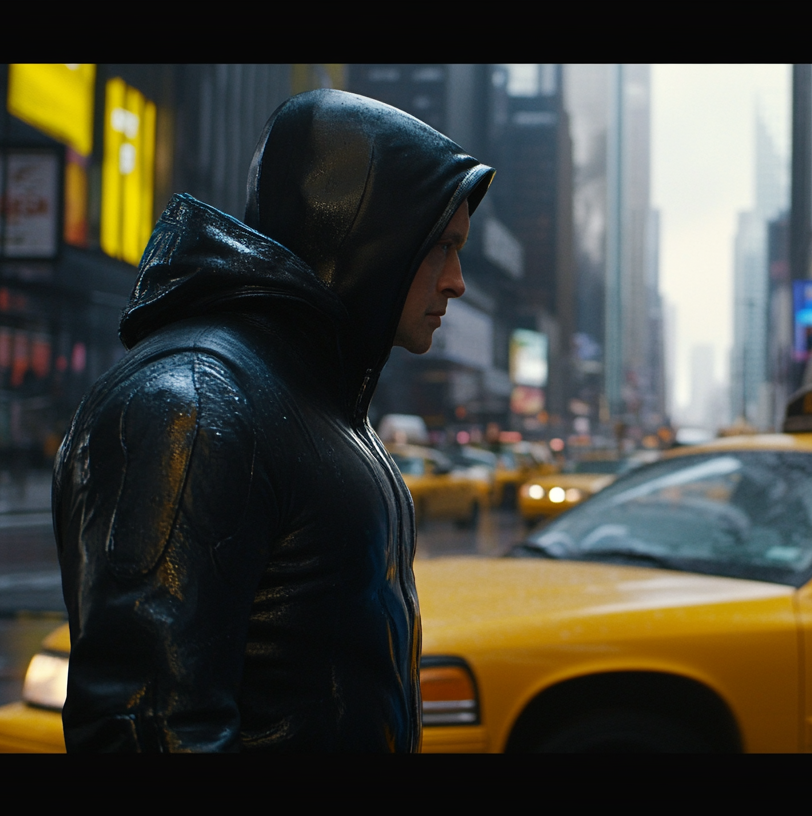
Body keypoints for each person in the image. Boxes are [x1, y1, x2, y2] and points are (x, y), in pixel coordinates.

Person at [52, 90, 494, 751]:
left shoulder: (319, 400)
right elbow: (147, 729)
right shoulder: (193, 404)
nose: (456, 281)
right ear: (368, 237)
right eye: (443, 246)